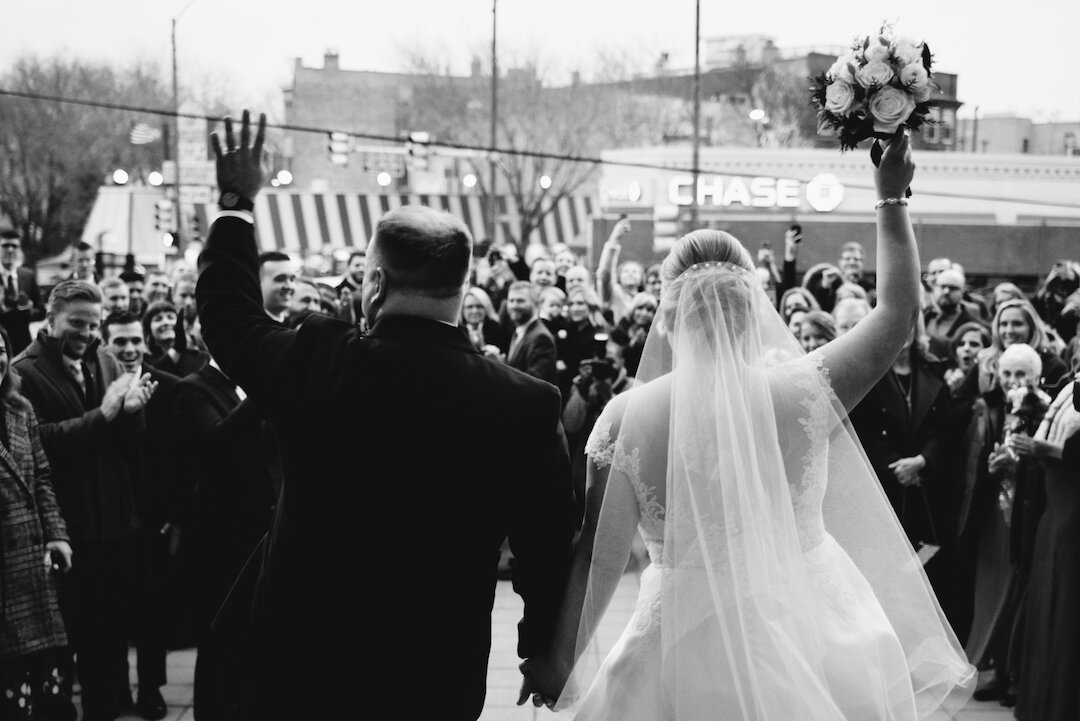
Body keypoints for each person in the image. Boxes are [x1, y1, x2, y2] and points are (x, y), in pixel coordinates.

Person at [519, 129, 974, 719]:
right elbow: (895, 314)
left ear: (669, 310)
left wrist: (561, 662)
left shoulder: (627, 418)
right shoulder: (805, 392)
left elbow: (597, 558)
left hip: (679, 647)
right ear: (752, 308)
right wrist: (892, 197)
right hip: (812, 630)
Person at [196, 112, 576, 721]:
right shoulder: (523, 402)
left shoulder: (320, 359)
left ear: (374, 283)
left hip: (301, 665)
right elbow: (548, 544)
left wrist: (237, 203)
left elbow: (225, 315)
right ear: (461, 286)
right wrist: (541, 651)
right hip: (433, 674)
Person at [13, 280, 156, 721]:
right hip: (67, 526)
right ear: (51, 318)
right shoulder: (24, 371)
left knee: (113, 631)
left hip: (115, 520)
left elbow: (127, 445)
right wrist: (105, 414)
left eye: (93, 324)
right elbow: (43, 444)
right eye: (77, 323)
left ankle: (112, 703)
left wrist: (132, 413)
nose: (87, 332)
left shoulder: (104, 358)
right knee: (75, 633)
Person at [0, 324, 76, 721]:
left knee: (48, 685)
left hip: (32, 563)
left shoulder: (19, 409)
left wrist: (57, 536)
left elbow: (42, 478)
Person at [1009, 375, 1080, 721]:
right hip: (1055, 503)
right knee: (1048, 599)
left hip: (1073, 509)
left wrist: (1046, 449)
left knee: (1067, 605)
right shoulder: (1070, 386)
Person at [505, 280, 559, 386]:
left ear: (536, 304)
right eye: (511, 301)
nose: (514, 306)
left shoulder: (541, 337)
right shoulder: (519, 331)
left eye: (520, 301)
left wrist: (501, 366)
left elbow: (534, 382)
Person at [0, 229, 45, 355]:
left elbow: (41, 311)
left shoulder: (27, 276)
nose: (10, 250)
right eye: (5, 245)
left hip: (23, 346)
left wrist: (28, 311)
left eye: (14, 246)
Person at [460, 286, 508, 360]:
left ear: (486, 308)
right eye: (470, 307)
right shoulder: (458, 330)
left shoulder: (497, 330)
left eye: (479, 306)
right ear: (462, 310)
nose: (475, 311)